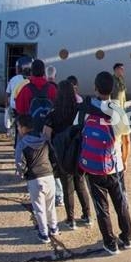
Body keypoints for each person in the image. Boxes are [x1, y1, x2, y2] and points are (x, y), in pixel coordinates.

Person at [77, 71, 131, 255]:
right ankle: (126, 237)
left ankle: (110, 242)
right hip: (115, 166)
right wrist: (124, 160)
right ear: (113, 89)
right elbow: (126, 140)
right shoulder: (117, 110)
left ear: (95, 87)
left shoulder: (87, 108)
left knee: (102, 207)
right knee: (121, 203)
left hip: (94, 167)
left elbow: (80, 134)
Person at [43, 80, 93, 230]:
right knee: (81, 183)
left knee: (67, 187)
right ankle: (87, 215)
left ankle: (71, 220)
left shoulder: (54, 112)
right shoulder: (79, 110)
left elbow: (46, 134)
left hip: (62, 153)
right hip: (78, 150)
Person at [16, 60, 61, 205]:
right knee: (52, 161)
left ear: (31, 72)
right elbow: (57, 108)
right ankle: (58, 195)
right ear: (43, 72)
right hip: (49, 131)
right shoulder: (52, 89)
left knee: (32, 163)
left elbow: (20, 111)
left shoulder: (26, 89)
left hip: (31, 134)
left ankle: (35, 191)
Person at [14, 114, 59, 243]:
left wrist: (23, 173)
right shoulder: (44, 139)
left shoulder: (22, 144)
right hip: (49, 176)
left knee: (39, 208)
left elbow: (19, 163)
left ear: (23, 128)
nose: (17, 129)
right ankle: (54, 227)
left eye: (18, 127)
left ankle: (44, 233)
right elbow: (53, 155)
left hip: (34, 179)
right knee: (50, 205)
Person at [5, 56, 32, 142]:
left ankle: (17, 142)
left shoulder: (13, 79)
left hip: (16, 108)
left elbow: (7, 94)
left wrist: (7, 107)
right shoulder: (30, 80)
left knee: (18, 128)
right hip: (27, 108)